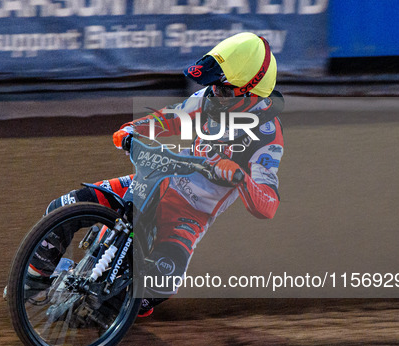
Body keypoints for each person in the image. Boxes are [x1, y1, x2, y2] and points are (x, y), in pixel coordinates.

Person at [31, 32, 285, 317]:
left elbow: (269, 204)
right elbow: (169, 119)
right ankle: (32, 283)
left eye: (223, 90)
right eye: (212, 87)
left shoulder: (267, 135)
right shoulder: (208, 98)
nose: (214, 94)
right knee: (65, 207)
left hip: (191, 214)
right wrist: (132, 129)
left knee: (162, 283)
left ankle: (110, 312)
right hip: (156, 180)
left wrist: (240, 177)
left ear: (251, 93)